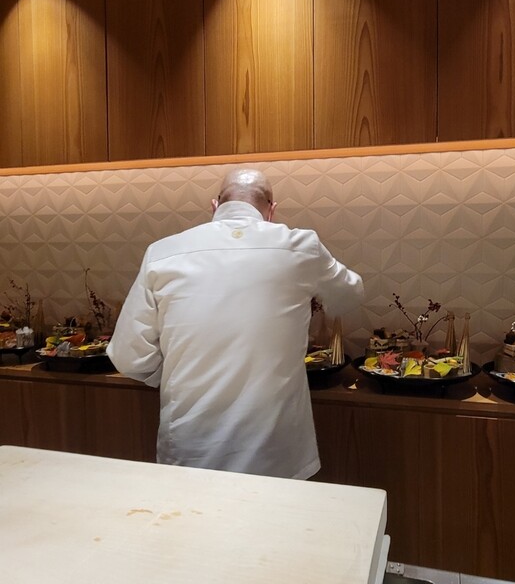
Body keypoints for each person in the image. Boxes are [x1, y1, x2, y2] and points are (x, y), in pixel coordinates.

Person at [107, 168, 363, 480]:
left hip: (191, 447)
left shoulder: (161, 252)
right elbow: (350, 295)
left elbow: (128, 355)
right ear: (272, 211)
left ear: (214, 206)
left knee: (192, 512)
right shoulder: (301, 246)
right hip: (276, 452)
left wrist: (177, 374)